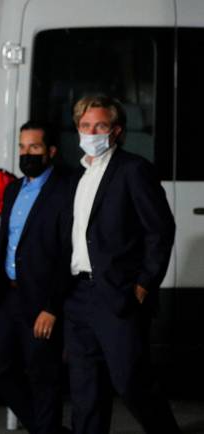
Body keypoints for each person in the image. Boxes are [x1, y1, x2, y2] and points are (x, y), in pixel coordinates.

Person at [64, 95, 181, 434]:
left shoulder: (133, 170)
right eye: (85, 126)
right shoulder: (77, 176)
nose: (91, 132)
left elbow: (160, 230)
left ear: (115, 130)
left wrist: (143, 284)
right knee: (85, 393)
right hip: (78, 296)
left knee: (132, 382)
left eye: (99, 125)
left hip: (118, 296)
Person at [0, 121, 70, 434]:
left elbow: (66, 252)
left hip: (42, 299)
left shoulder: (63, 190)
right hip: (9, 293)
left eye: (34, 147)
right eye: (22, 147)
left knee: (43, 375)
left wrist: (52, 306)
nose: (26, 153)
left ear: (50, 152)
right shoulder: (14, 189)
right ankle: (46, 428)